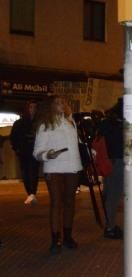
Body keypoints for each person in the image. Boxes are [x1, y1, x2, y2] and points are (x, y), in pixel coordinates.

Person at [32, 96, 84, 254]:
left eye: (63, 102)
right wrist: (48, 154)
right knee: (56, 202)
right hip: (54, 167)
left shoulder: (71, 122)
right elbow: (37, 152)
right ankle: (56, 240)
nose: (62, 105)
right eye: (58, 103)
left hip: (73, 167)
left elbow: (77, 143)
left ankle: (67, 236)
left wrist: (89, 151)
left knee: (70, 202)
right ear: (51, 106)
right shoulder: (45, 125)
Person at [97, 99, 124, 239]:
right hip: (119, 162)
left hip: (108, 162)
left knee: (109, 194)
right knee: (114, 197)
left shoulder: (105, 123)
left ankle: (110, 224)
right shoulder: (122, 126)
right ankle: (110, 227)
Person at [10, 101, 40, 205]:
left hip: (35, 152)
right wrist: (17, 148)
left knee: (33, 172)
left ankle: (32, 193)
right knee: (26, 173)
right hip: (24, 152)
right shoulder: (19, 123)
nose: (33, 109)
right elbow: (13, 137)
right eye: (31, 107)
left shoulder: (39, 123)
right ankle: (30, 193)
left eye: (34, 107)